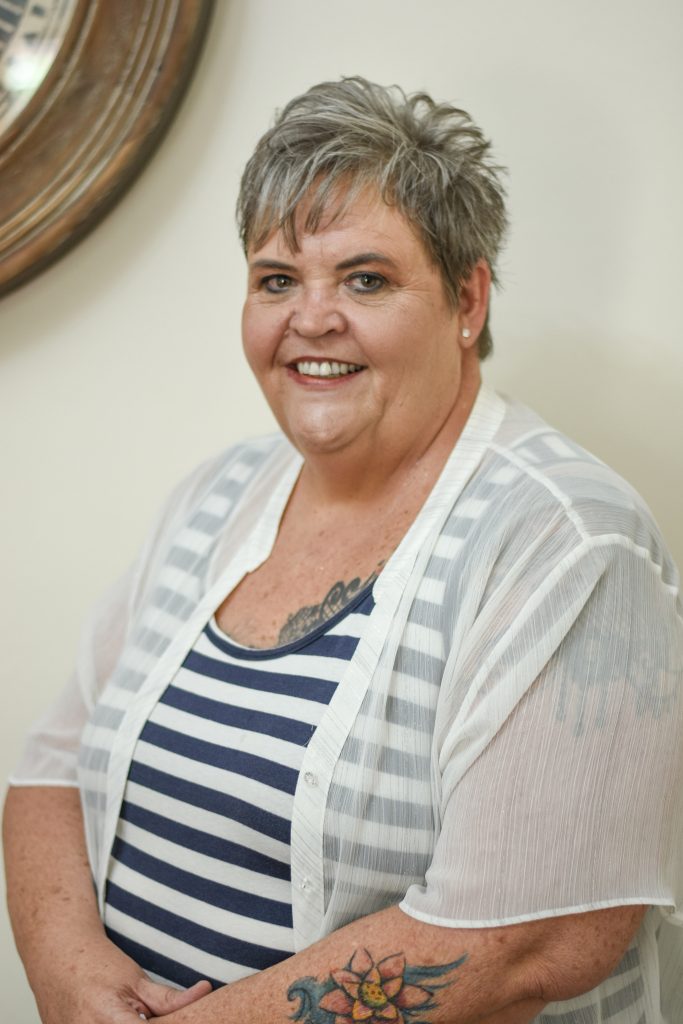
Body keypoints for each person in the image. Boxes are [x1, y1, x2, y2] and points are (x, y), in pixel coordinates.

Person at [3, 77, 683, 1024]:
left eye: (365, 279)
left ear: (467, 298)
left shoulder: (566, 540)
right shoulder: (219, 492)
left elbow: (534, 938)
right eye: (277, 279)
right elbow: (51, 768)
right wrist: (74, 982)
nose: (311, 319)